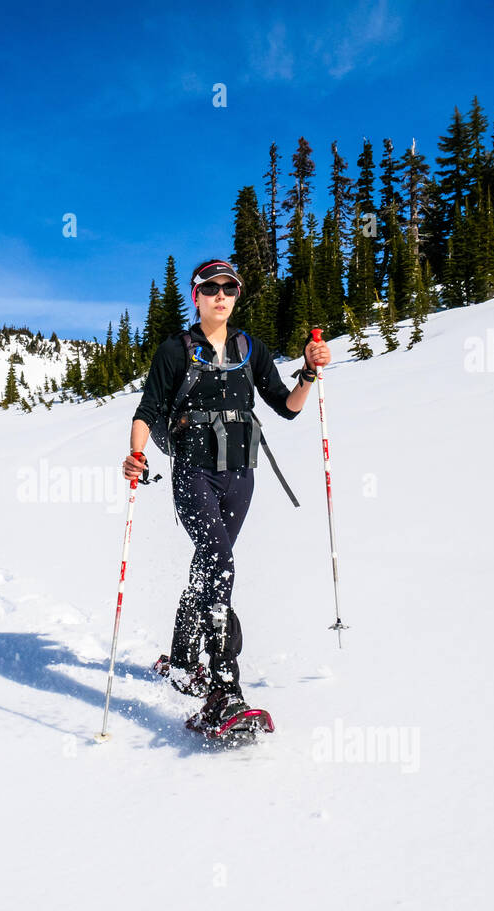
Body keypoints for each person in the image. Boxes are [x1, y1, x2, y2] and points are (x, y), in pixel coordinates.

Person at [122, 258, 331, 729]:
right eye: (210, 287)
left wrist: (310, 373)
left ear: (237, 296)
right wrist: (136, 455)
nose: (221, 294)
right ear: (195, 296)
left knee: (210, 564)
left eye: (229, 288)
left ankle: (180, 659)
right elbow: (147, 408)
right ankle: (223, 688)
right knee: (219, 560)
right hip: (193, 472)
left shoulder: (249, 348)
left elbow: (287, 406)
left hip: (242, 474)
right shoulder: (175, 350)